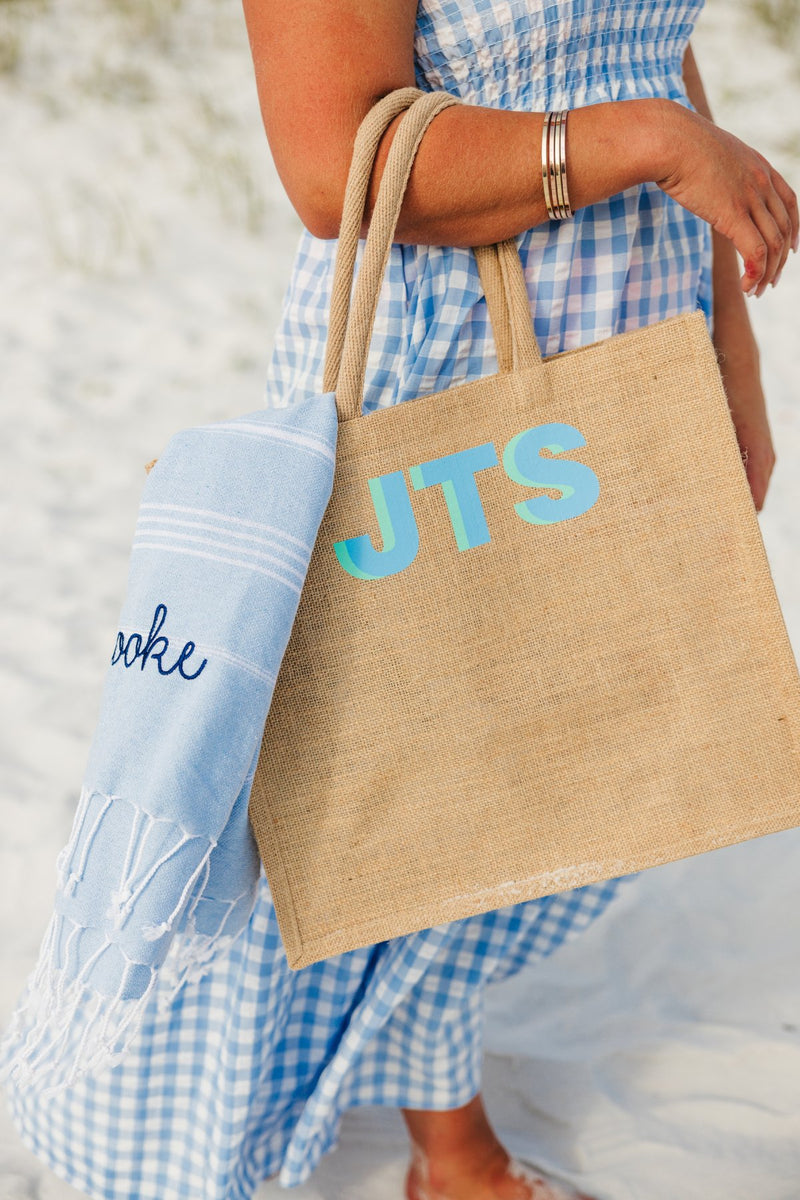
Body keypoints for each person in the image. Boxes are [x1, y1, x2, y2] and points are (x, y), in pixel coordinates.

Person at [3, 4, 795, 1200]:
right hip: (441, 362)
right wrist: (646, 141)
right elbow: (335, 167)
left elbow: (644, 46)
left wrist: (726, 346)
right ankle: (172, 1152)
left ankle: (443, 1121)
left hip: (623, 328)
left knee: (535, 781)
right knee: (363, 790)